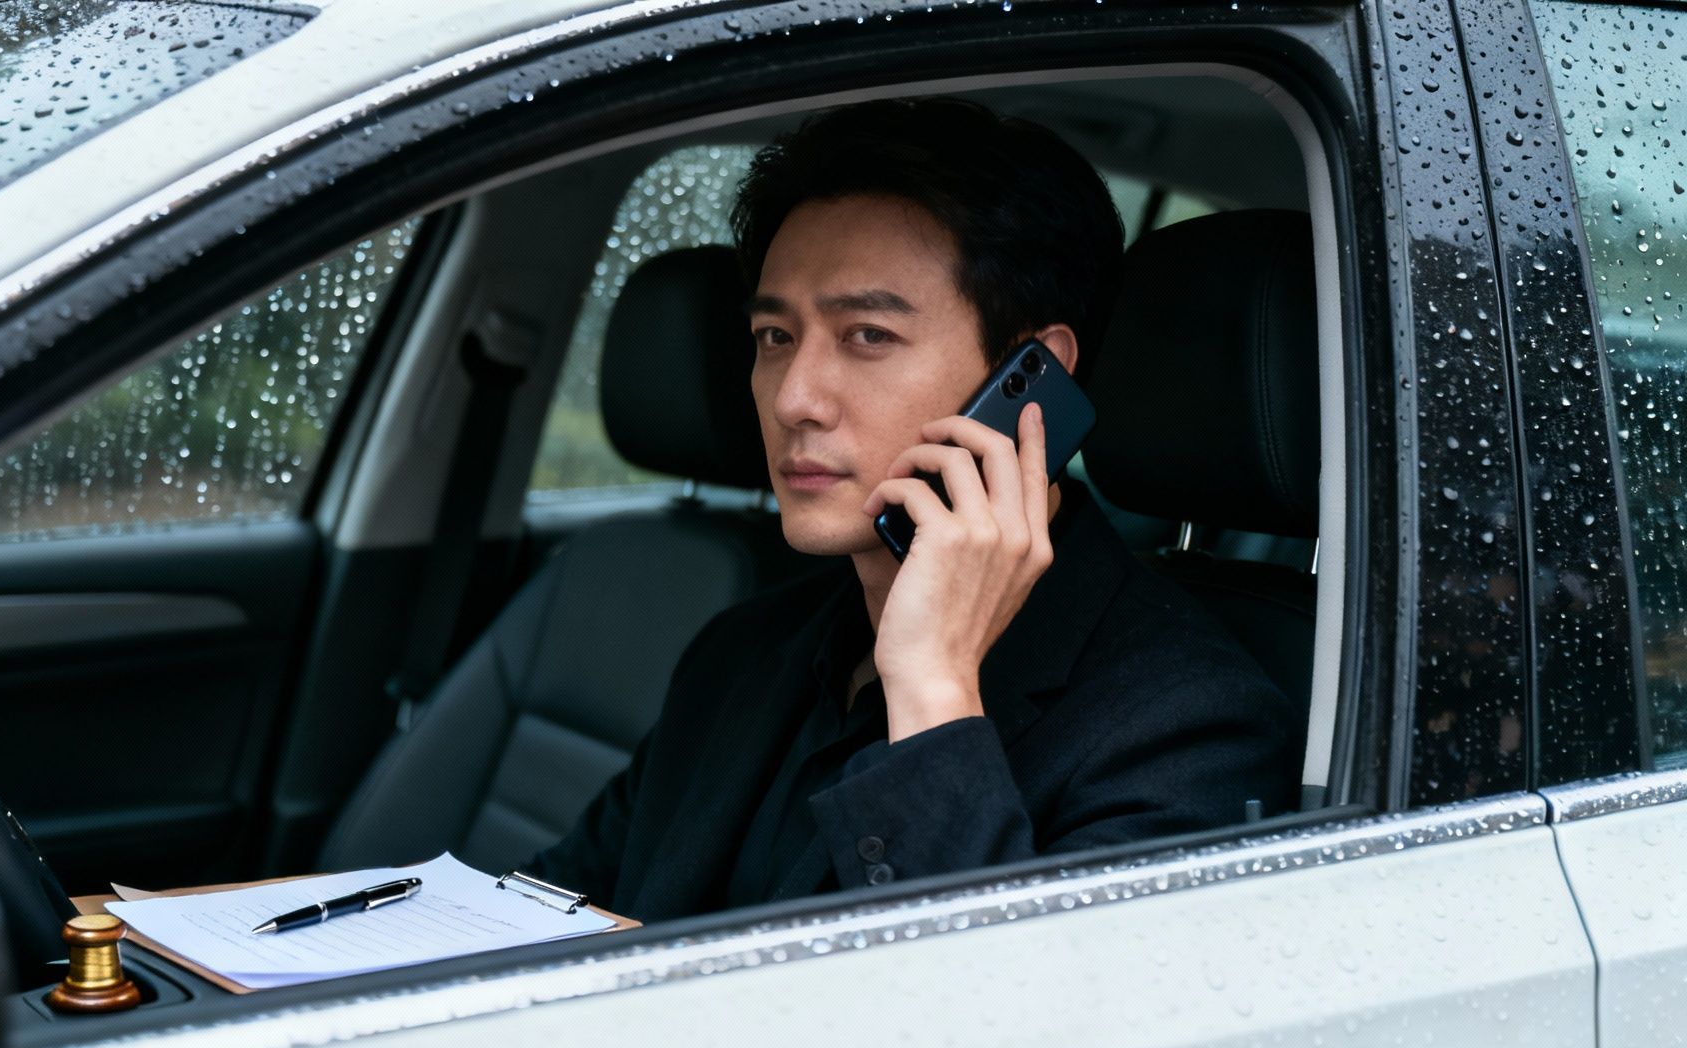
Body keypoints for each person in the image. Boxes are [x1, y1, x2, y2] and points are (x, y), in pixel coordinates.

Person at [524, 98, 1295, 921]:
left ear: (1032, 380)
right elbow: (548, 909)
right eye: (775, 337)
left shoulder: (1193, 726)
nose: (794, 399)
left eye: (867, 336)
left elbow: (1016, 1022)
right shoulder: (742, 653)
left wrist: (932, 686)